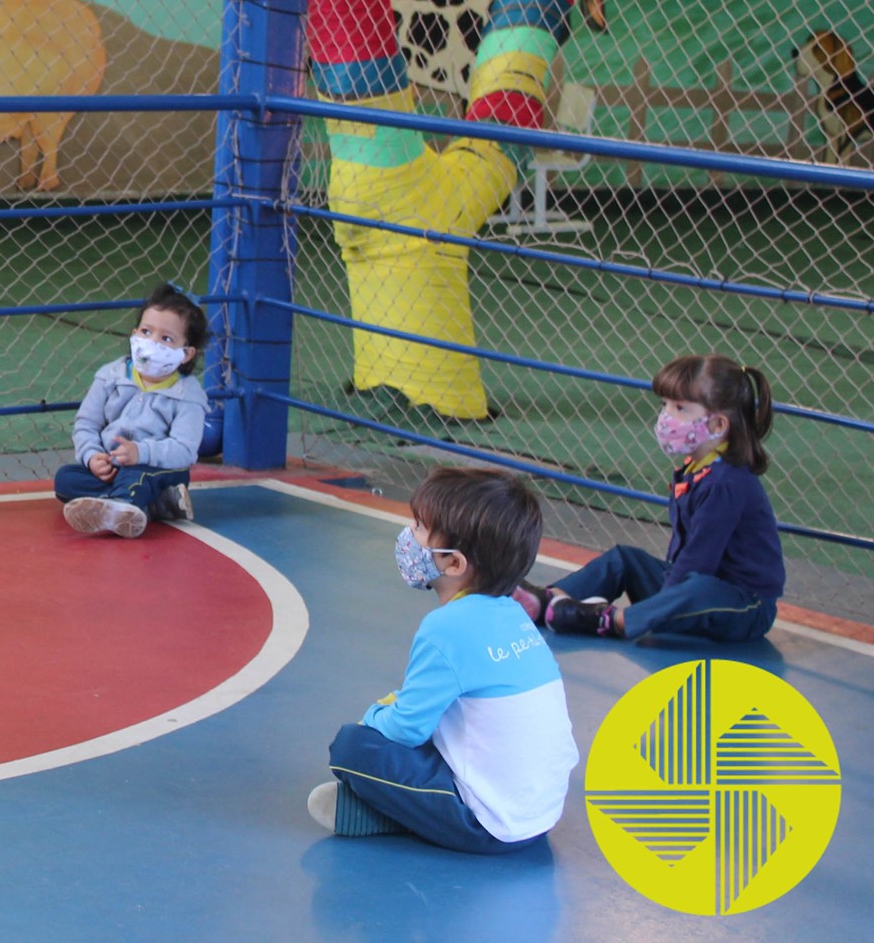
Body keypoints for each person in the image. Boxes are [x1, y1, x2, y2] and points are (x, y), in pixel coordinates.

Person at [309, 467, 577, 852]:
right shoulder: (515, 614)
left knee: (352, 746)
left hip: (489, 825)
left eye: (419, 528)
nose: (409, 537)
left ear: (454, 564)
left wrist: (370, 718)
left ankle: (392, 815)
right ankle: (407, 811)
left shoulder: (446, 627)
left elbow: (405, 729)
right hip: (541, 816)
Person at [517, 354, 783, 642]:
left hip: (743, 606)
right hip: (690, 587)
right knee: (624, 559)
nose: (667, 417)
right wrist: (665, 594)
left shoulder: (726, 483)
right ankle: (548, 602)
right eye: (665, 405)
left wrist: (663, 604)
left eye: (680, 408)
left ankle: (609, 620)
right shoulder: (696, 468)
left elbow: (697, 561)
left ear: (718, 425)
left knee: (696, 587)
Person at [54, 282, 208, 537]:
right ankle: (150, 504)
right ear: (135, 333)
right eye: (146, 332)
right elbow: (87, 424)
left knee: (140, 477)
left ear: (187, 354)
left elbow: (185, 450)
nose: (151, 343)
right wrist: (93, 457)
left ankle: (123, 507)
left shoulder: (188, 396)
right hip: (112, 468)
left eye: (166, 339)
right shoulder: (109, 376)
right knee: (65, 479)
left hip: (156, 467)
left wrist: (141, 453)